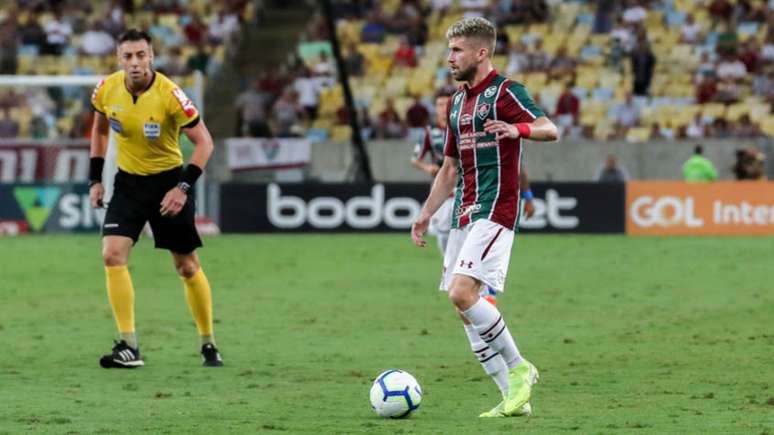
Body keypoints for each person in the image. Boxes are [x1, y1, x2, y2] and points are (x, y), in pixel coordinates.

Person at [411, 17, 558, 418]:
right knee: (463, 309)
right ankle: (512, 400)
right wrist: (426, 214)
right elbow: (449, 169)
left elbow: (551, 128)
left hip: (497, 208)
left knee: (463, 293)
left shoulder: (506, 92)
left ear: (481, 52)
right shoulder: (458, 102)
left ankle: (520, 368)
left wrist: (519, 130)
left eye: (457, 50)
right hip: (463, 211)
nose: (450, 58)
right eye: (449, 50)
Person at [88, 29, 223, 369]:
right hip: (129, 184)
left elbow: (205, 143)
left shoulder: (171, 95)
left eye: (141, 55)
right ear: (119, 59)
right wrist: (95, 179)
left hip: (168, 183)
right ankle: (128, 345)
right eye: (128, 56)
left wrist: (182, 188)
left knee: (186, 265)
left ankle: (208, 342)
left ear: (151, 57)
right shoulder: (107, 89)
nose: (135, 63)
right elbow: (100, 130)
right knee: (111, 255)